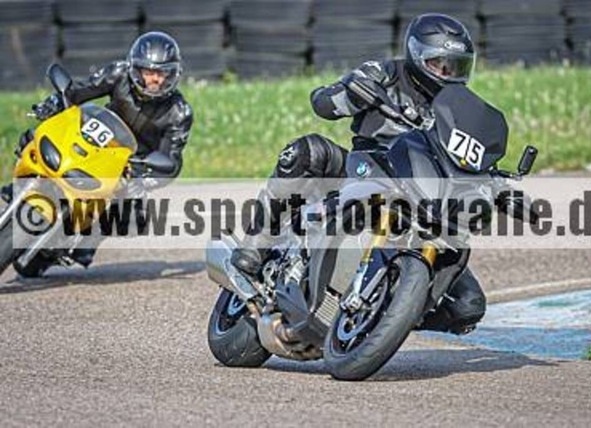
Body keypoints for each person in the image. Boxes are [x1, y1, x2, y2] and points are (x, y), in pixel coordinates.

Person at [231, 13, 486, 334]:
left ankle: (387, 316)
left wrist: (493, 185)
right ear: (417, 55)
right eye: (441, 65)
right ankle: (257, 244)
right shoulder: (383, 73)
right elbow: (322, 102)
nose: (449, 75)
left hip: (423, 201)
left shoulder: (460, 110)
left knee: (468, 305)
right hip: (363, 172)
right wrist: (352, 93)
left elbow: (475, 160)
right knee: (307, 151)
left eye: (457, 67)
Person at [10, 31, 194, 268]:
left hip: (129, 166)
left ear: (173, 75)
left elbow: (171, 161)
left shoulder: (179, 112)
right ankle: (21, 182)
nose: (155, 80)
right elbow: (77, 92)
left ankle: (86, 240)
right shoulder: (118, 73)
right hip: (95, 140)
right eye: (149, 72)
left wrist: (144, 181)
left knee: (134, 216)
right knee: (37, 134)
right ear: (135, 69)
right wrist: (54, 103)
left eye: (162, 73)